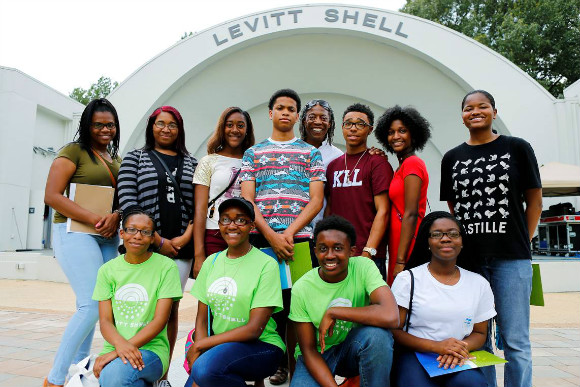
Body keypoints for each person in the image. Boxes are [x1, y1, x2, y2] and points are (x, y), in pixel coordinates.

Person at [440, 90, 542, 387]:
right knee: (477, 338)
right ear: (462, 116)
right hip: (470, 262)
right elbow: (454, 208)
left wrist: (525, 239)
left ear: (494, 112)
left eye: (482, 106)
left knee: (515, 341)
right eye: (468, 108)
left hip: (512, 258)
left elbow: (534, 201)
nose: (475, 111)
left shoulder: (517, 148)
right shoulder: (452, 158)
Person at [241, 88, 326, 384]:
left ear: (296, 115)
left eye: (291, 108)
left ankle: (291, 366)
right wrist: (271, 235)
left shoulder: (310, 153)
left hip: (299, 242)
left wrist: (288, 233)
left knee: (295, 309)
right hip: (261, 241)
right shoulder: (253, 153)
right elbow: (248, 201)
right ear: (270, 112)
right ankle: (262, 371)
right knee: (263, 307)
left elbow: (316, 200)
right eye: (281, 107)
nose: (286, 112)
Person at [43, 98, 122, 387]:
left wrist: (115, 216)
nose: (105, 129)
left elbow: (119, 199)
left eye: (110, 124)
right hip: (74, 232)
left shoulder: (116, 158)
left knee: (100, 304)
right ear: (87, 125)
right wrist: (94, 218)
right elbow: (52, 196)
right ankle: (54, 379)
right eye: (98, 124)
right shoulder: (73, 151)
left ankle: (78, 371)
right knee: (90, 305)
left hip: (106, 237)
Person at [117, 105, 197, 386]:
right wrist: (157, 240)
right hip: (143, 247)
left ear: (180, 129)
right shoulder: (135, 158)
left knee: (169, 309)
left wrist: (186, 237)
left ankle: (162, 373)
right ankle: (129, 359)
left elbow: (201, 206)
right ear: (151, 127)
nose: (166, 129)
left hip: (180, 250)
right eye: (160, 123)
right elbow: (127, 202)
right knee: (140, 303)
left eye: (172, 124)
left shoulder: (191, 162)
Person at [289, 215, 399, 387]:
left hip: (353, 347)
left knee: (378, 337)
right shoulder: (302, 287)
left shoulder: (363, 267)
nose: (330, 255)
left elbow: (391, 316)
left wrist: (334, 312)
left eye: (338, 248)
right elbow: (308, 350)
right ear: (315, 250)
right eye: (323, 248)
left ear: (351, 251)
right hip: (318, 354)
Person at [185, 197, 285, 387]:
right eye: (226, 219)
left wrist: (200, 346)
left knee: (206, 371)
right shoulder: (211, 261)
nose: (232, 225)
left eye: (240, 220)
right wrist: (202, 348)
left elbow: (254, 329)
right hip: (219, 348)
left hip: (262, 347)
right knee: (201, 375)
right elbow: (202, 317)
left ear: (252, 226)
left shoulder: (266, 265)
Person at [391, 211, 496, 387]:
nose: (446, 239)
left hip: (458, 356)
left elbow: (480, 333)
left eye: (453, 234)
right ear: (428, 242)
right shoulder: (408, 279)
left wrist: (458, 348)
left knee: (472, 384)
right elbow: (395, 330)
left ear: (462, 242)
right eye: (437, 234)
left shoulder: (479, 283)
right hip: (415, 354)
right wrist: (437, 346)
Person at [92, 210, 183, 387]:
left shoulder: (166, 268)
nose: (137, 236)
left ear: (152, 237)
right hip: (114, 345)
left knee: (115, 376)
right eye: (132, 230)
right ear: (122, 233)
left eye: (145, 232)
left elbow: (160, 321)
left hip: (152, 350)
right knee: (124, 380)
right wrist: (119, 347)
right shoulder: (107, 270)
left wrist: (119, 352)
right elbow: (105, 321)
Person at [325, 103, 394, 280]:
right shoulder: (333, 166)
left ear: (370, 129)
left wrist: (368, 252)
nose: (353, 128)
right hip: (337, 254)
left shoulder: (377, 163)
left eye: (360, 124)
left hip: (368, 255)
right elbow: (330, 209)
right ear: (341, 127)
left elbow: (383, 211)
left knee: (369, 306)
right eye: (348, 123)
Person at [192, 107, 255, 278]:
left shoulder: (254, 161)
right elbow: (199, 210)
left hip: (246, 235)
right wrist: (198, 255)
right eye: (230, 125)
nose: (235, 130)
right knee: (213, 292)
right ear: (222, 128)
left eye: (240, 125)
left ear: (247, 130)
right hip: (214, 233)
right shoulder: (208, 161)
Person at [375, 105, 431, 285]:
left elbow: (411, 212)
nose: (396, 136)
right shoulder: (401, 166)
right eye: (391, 132)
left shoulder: (413, 164)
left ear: (413, 134)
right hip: (398, 243)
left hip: (409, 244)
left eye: (402, 131)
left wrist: (400, 260)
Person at [298, 99, 342, 227]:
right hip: (290, 229)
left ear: (329, 123)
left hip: (321, 230)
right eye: (312, 117)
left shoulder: (337, 156)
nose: (318, 122)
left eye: (323, 118)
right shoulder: (292, 150)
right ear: (303, 121)